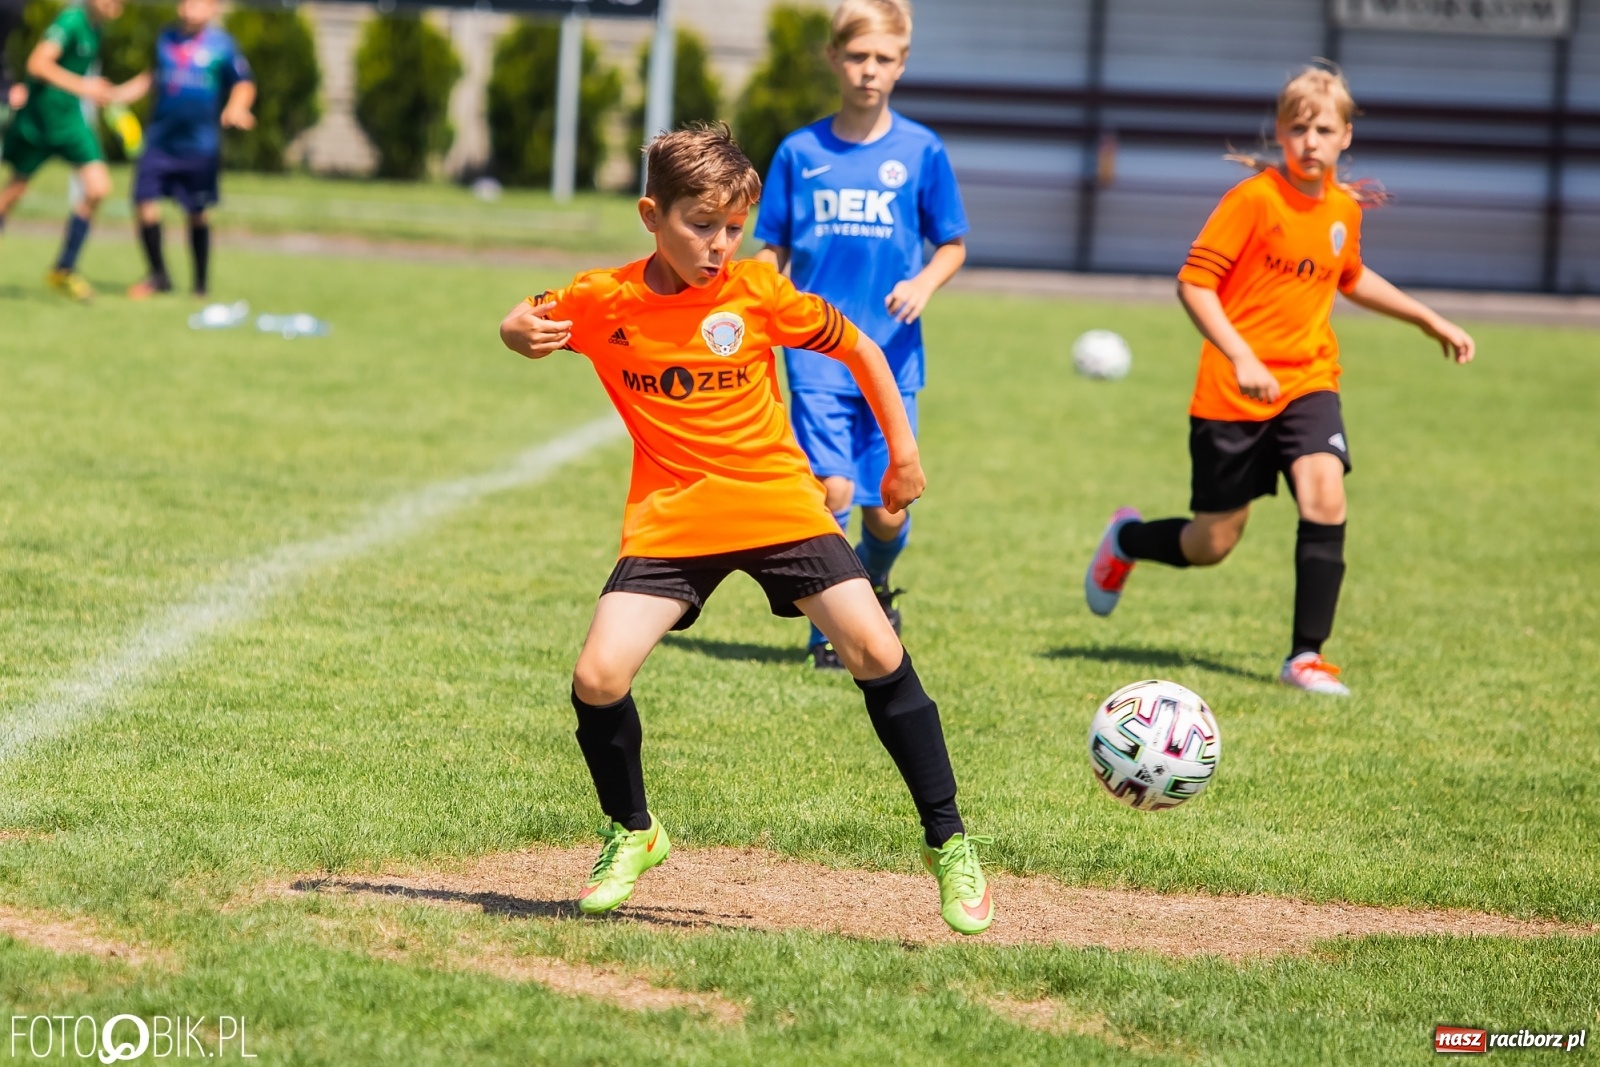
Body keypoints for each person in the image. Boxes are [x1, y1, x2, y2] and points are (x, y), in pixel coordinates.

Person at [497, 123, 994, 936]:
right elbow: (524, 317)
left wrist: (903, 453)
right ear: (650, 214)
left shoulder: (758, 290)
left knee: (876, 650)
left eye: (734, 227)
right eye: (701, 224)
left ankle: (950, 842)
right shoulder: (604, 298)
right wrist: (520, 333)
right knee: (598, 676)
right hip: (673, 515)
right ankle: (633, 831)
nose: (720, 244)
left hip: (776, 503)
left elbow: (862, 348)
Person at [1083, 65, 1474, 696]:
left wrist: (1428, 318)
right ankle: (1127, 539)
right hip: (1231, 394)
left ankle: (1305, 658)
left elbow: (1350, 276)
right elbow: (1194, 284)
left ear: (1346, 135)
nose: (1310, 141)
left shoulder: (1344, 209)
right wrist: (1241, 356)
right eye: (1298, 128)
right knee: (1212, 542)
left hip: (1309, 380)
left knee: (1325, 493)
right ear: (1280, 133)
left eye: (1323, 128)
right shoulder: (1254, 201)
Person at [753, 0, 968, 670]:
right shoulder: (800, 151)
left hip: (892, 358)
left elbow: (953, 244)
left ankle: (870, 583)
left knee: (889, 511)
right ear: (834, 59)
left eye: (882, 59)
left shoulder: (921, 151)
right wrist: (760, 303)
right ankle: (831, 628)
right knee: (834, 491)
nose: (868, 70)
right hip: (816, 354)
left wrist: (925, 284)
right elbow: (772, 250)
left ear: (901, 66)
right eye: (856, 56)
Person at [0, 0, 142, 301]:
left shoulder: (96, 26)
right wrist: (84, 87)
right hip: (40, 120)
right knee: (13, 193)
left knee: (98, 187)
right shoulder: (71, 21)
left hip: (70, 121)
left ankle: (63, 269)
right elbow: (38, 64)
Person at [124, 0, 254, 299]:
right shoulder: (165, 38)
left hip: (199, 144)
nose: (190, 7)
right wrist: (118, 94)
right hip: (160, 140)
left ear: (213, 8)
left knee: (196, 212)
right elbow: (152, 78)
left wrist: (237, 107)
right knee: (144, 201)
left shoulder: (222, 44)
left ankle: (200, 285)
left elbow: (243, 83)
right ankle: (159, 276)